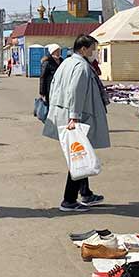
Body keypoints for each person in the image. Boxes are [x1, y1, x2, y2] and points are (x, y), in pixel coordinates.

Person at [43, 34, 109, 211]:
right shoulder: (80, 66)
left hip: (66, 113)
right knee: (78, 157)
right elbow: (76, 92)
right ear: (83, 49)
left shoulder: (67, 63)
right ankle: (69, 200)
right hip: (77, 116)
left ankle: (86, 193)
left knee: (81, 153)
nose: (94, 52)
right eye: (92, 49)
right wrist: (74, 116)